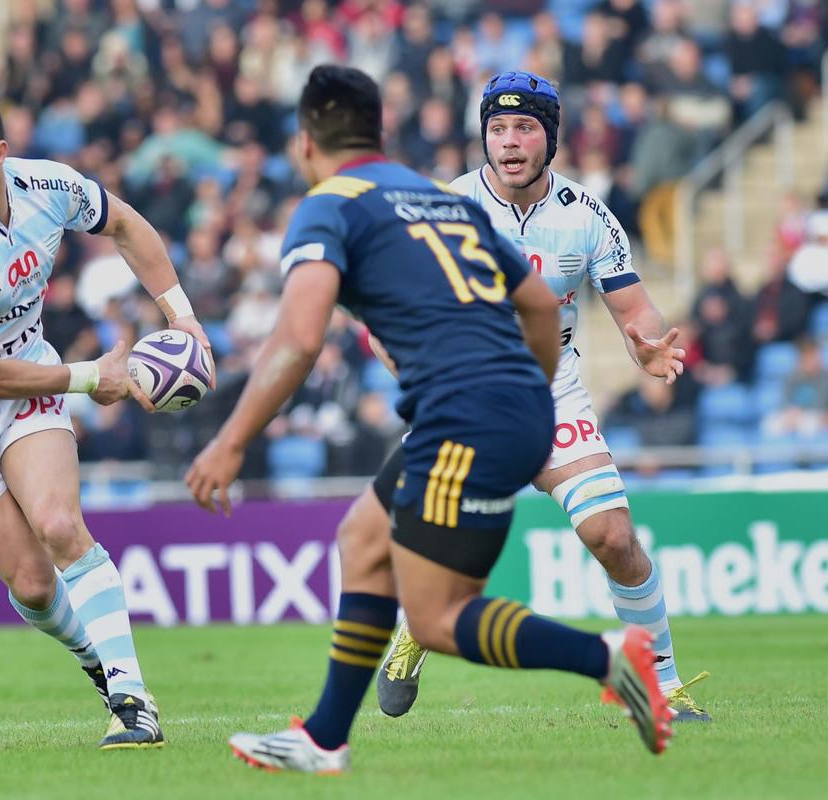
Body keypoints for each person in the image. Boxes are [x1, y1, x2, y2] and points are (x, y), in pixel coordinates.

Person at [185, 65, 671, 774]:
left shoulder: (329, 205)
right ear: (378, 132)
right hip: (500, 399)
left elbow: (296, 339)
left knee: (440, 616)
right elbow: (538, 302)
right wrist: (527, 393)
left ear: (305, 142)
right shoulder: (431, 195)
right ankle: (325, 737)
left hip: (469, 409)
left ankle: (612, 656)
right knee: (363, 539)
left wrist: (229, 441)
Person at [376, 72, 709, 722]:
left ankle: (661, 686)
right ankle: (415, 628)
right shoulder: (444, 206)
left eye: (524, 127)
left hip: (551, 392)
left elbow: (634, 307)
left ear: (550, 137)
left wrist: (644, 345)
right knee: (448, 558)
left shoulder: (587, 215)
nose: (509, 142)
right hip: (465, 397)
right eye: (497, 129)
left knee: (613, 536)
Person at [0, 93, 215, 749]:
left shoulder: (46, 185)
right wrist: (93, 376)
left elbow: (125, 224)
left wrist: (181, 315)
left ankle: (132, 698)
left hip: (29, 381)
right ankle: (97, 665)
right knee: (35, 586)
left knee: (61, 525)